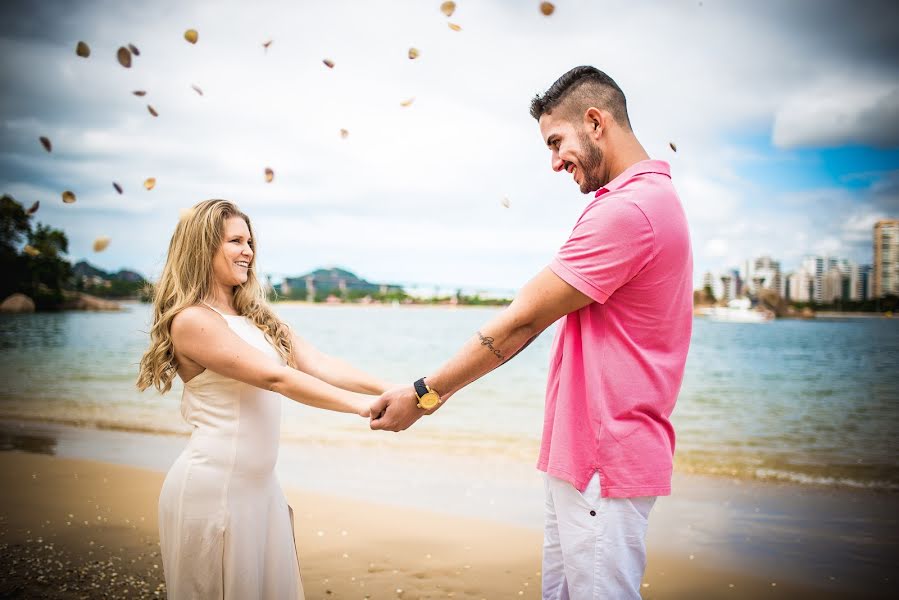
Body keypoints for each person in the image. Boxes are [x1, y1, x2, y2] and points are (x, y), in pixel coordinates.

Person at [370, 66, 693, 599]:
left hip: (602, 462)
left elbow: (523, 319)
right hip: (588, 457)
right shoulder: (646, 200)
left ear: (594, 122)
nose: (554, 162)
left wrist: (424, 394)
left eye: (556, 142)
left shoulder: (629, 210)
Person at [137, 199, 384, 599]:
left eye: (250, 242)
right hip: (213, 492)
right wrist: (362, 408)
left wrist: (396, 390)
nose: (248, 252)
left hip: (261, 490)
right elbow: (276, 377)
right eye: (236, 241)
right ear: (203, 246)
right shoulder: (192, 320)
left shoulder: (258, 316)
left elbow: (318, 363)